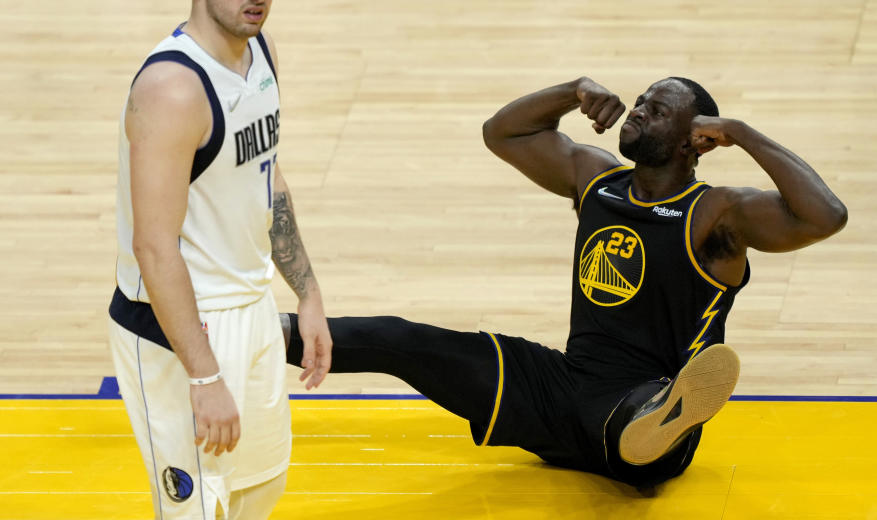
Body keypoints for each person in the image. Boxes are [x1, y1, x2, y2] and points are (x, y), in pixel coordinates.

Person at [283, 76, 847, 489]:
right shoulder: (597, 180)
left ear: (692, 141)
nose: (640, 110)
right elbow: (501, 133)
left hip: (638, 394)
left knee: (637, 420)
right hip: (562, 387)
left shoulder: (717, 214)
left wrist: (742, 134)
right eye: (642, 101)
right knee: (402, 340)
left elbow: (826, 216)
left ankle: (664, 424)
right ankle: (256, 330)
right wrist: (572, 92)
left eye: (658, 110)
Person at [107, 0, 332, 519]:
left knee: (259, 490)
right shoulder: (171, 90)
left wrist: (306, 294)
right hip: (182, 326)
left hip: (250, 305)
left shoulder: (260, 55)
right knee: (196, 508)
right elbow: (155, 248)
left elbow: (267, 178)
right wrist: (203, 378)